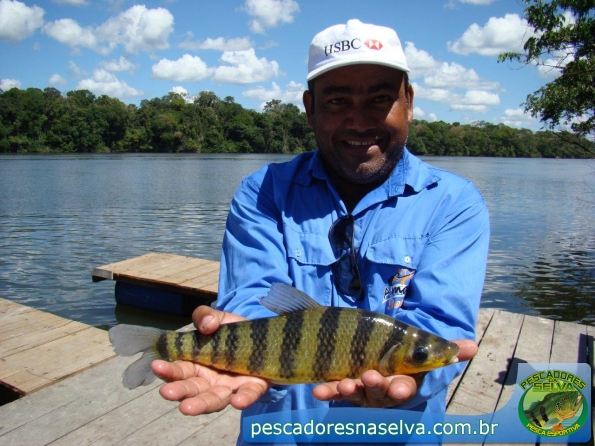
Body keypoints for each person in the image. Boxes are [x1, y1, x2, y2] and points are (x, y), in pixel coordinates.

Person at [152, 19, 489, 444]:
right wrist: (238, 345)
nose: (359, 121)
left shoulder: (454, 202)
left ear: (408, 101)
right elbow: (253, 298)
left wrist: (408, 380)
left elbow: (441, 327)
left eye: (380, 99)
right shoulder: (262, 192)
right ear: (310, 109)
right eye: (337, 101)